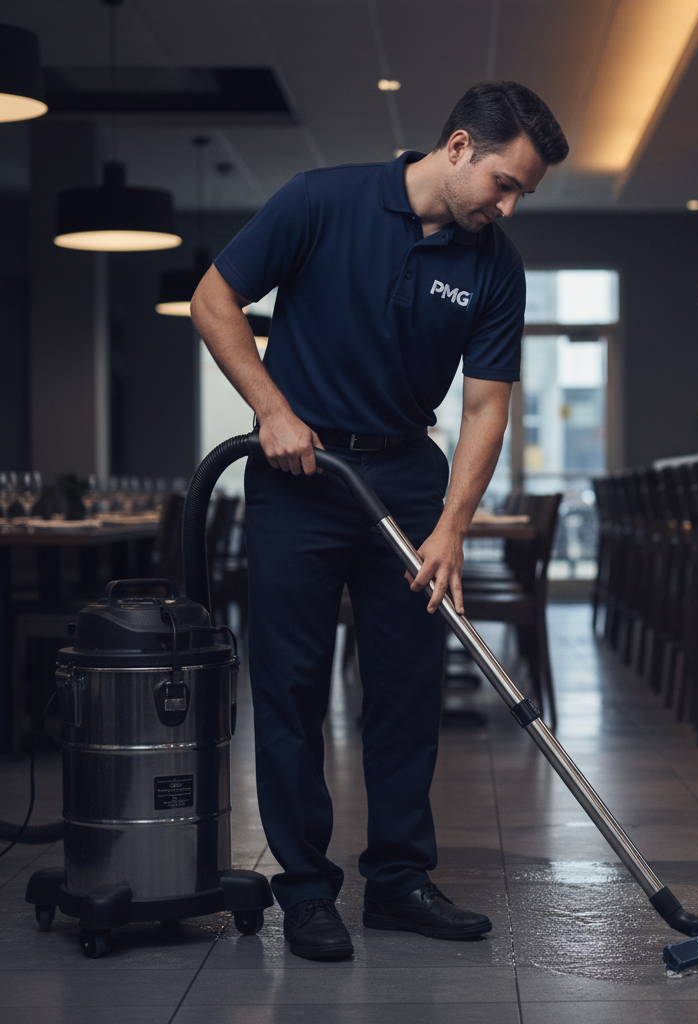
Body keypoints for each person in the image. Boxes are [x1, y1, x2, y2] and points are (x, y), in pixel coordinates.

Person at [191, 81, 568, 961]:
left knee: (405, 689)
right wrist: (272, 410)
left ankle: (397, 880)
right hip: (301, 471)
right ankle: (308, 891)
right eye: (505, 183)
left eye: (524, 195)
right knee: (289, 690)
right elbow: (215, 303)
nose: (509, 206)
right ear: (461, 146)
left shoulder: (494, 264)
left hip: (404, 475)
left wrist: (452, 526)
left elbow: (484, 411)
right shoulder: (321, 202)